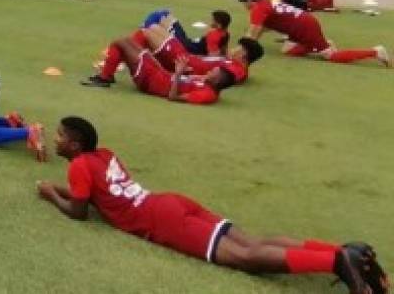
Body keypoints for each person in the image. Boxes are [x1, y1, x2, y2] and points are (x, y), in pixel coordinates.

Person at [37, 116, 385, 293]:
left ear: (76, 143)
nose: (57, 140)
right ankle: (346, 251)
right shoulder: (102, 154)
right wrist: (63, 188)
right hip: (169, 202)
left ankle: (335, 260)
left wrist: (51, 193)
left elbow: (80, 213)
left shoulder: (79, 166)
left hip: (163, 221)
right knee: (252, 242)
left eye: (60, 136)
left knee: (247, 260)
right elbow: (101, 197)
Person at [82, 27, 262, 104]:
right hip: (161, 73)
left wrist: (178, 73)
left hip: (152, 79)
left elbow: (173, 96)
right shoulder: (207, 83)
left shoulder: (210, 91)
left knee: (121, 42)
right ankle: (109, 70)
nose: (236, 49)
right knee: (136, 37)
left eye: (215, 72)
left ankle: (106, 75)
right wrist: (186, 74)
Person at [239, 0, 389, 66]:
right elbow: (261, 29)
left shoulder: (258, 8)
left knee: (331, 56)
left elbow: (254, 32)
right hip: (301, 24)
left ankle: (376, 52)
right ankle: (318, 45)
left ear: (249, 2)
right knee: (287, 51)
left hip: (304, 28)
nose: (245, 7)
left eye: (244, 3)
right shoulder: (268, 1)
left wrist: (243, 50)